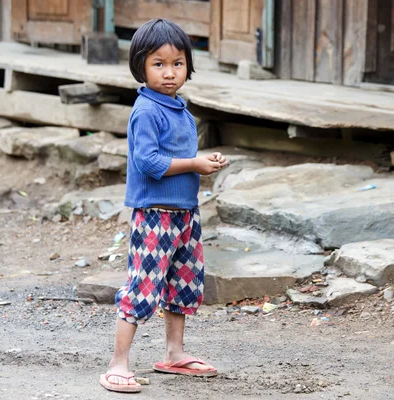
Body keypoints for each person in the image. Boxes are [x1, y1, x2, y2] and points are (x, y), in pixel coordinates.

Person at [99, 18, 227, 393]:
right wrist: (194, 164)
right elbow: (150, 164)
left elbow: (177, 157)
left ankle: (174, 353)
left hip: (185, 215)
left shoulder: (178, 108)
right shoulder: (146, 111)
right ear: (140, 66)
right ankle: (117, 363)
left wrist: (204, 161)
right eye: (158, 64)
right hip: (154, 214)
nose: (169, 73)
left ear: (188, 66)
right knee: (143, 286)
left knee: (183, 282)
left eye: (177, 64)